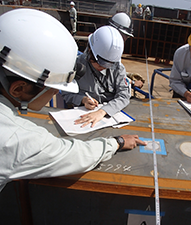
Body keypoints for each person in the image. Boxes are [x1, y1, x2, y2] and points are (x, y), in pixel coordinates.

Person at [0, 9, 146, 192]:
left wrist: (102, 111)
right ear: (18, 89)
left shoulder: (118, 68)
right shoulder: (14, 139)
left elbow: (123, 94)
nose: (55, 93)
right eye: (54, 87)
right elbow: (71, 154)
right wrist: (117, 142)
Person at [61, 26, 132, 128]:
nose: (103, 67)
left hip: (109, 120)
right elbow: (66, 93)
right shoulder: (76, 65)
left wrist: (102, 112)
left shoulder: (118, 69)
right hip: (83, 118)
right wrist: (83, 99)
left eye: (108, 65)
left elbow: (124, 96)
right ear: (90, 50)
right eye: (100, 63)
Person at [108, 12, 145, 90]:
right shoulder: (107, 49)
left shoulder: (111, 46)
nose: (125, 39)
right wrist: (133, 82)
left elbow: (115, 70)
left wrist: (127, 74)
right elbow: (111, 77)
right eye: (124, 35)